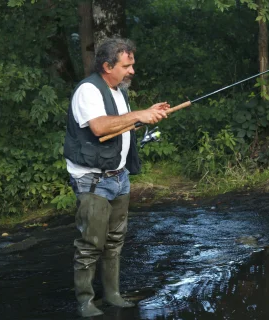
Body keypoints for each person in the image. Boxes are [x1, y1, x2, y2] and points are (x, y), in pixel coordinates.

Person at [63, 38, 170, 317]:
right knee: (90, 245)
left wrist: (149, 114)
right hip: (93, 180)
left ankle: (112, 295)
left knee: (114, 241)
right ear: (108, 66)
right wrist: (139, 115)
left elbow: (124, 122)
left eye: (132, 64)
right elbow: (99, 127)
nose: (132, 71)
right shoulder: (88, 90)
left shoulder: (118, 90)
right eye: (127, 65)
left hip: (119, 177)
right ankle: (86, 301)